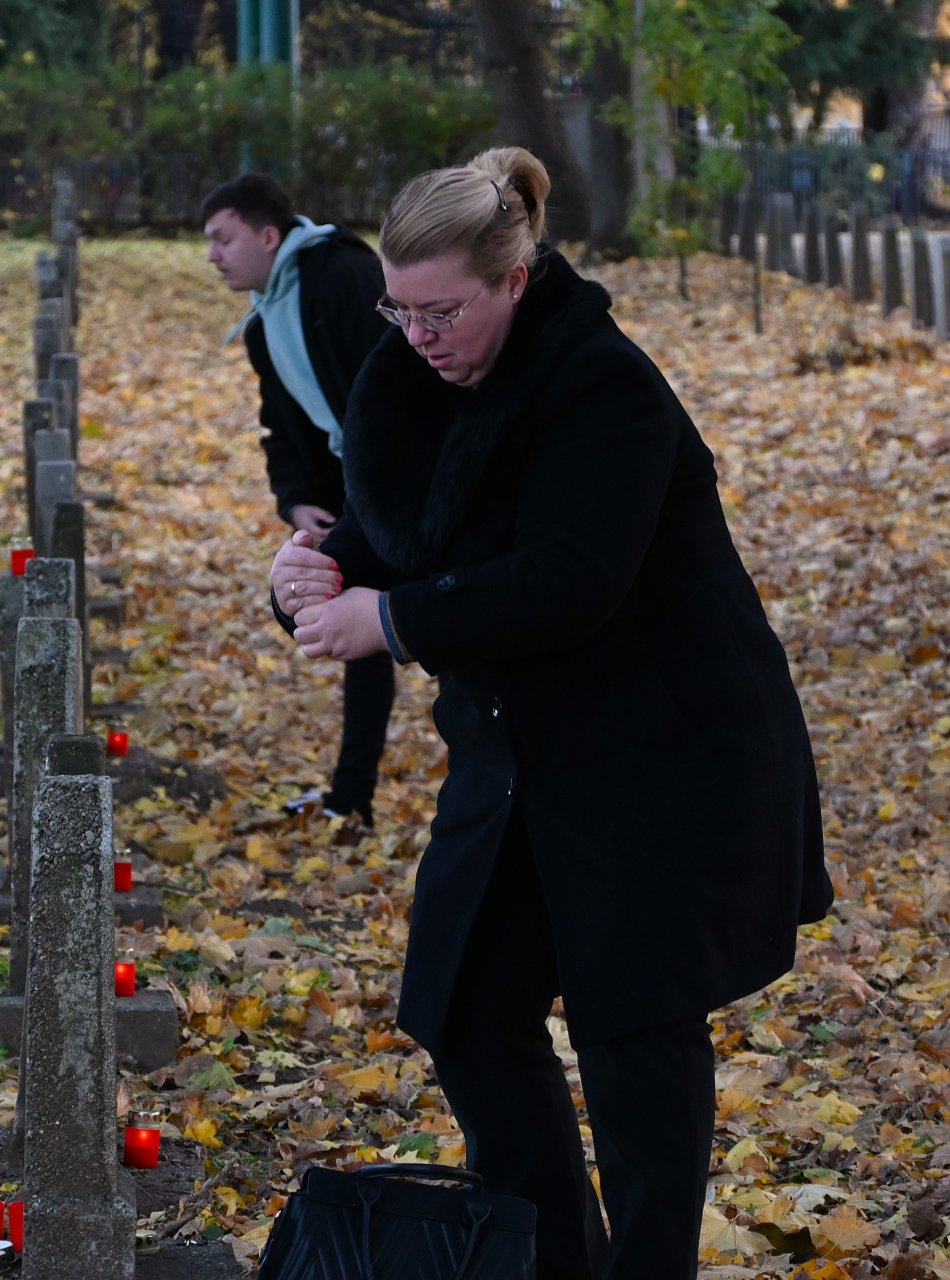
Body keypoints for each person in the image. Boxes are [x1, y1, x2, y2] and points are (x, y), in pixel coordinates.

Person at [269, 148, 834, 1279]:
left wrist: (393, 622)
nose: (416, 334)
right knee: (464, 1005)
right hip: (519, 756)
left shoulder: (601, 384)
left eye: (442, 310)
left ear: (515, 281)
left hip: (666, 756)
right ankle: (555, 1261)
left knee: (637, 1046)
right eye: (399, 306)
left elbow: (570, 579)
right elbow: (387, 534)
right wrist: (306, 573)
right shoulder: (412, 381)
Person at [201, 173, 395, 825]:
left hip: (406, 481)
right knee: (350, 624)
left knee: (436, 626)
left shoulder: (341, 275)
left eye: (223, 239)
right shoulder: (263, 322)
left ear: (267, 235)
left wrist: (386, 485)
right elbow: (282, 426)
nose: (213, 255)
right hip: (355, 491)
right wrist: (296, 500)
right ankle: (351, 800)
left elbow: (398, 373)